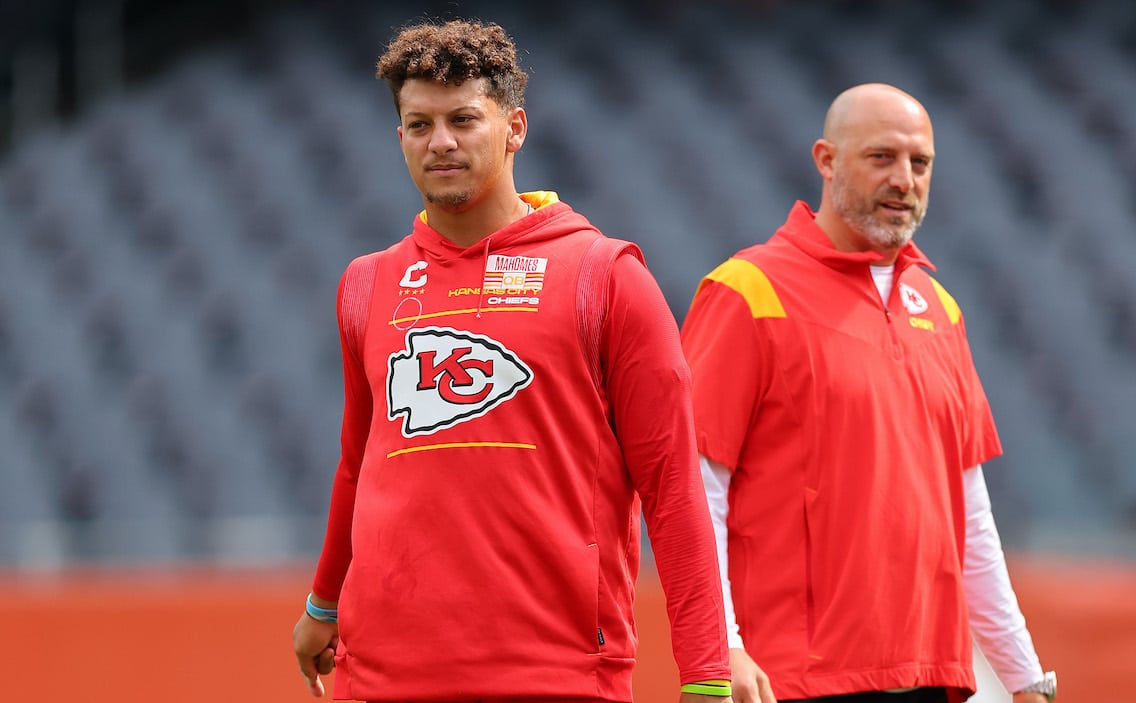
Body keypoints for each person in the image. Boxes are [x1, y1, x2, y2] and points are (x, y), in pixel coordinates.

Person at [290, 19, 731, 703]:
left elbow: (673, 490)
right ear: (399, 137)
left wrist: (706, 676)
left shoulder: (605, 276)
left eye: (464, 119)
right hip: (377, 680)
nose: (441, 142)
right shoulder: (366, 284)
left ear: (514, 126)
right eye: (419, 124)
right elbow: (357, 462)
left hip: (554, 680)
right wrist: (323, 602)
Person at [679, 83, 1058, 703]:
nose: (904, 179)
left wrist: (1024, 677)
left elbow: (969, 514)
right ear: (826, 160)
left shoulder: (941, 311)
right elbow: (697, 490)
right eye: (881, 157)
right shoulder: (747, 290)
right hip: (790, 681)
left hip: (929, 674)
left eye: (920, 162)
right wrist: (723, 644)